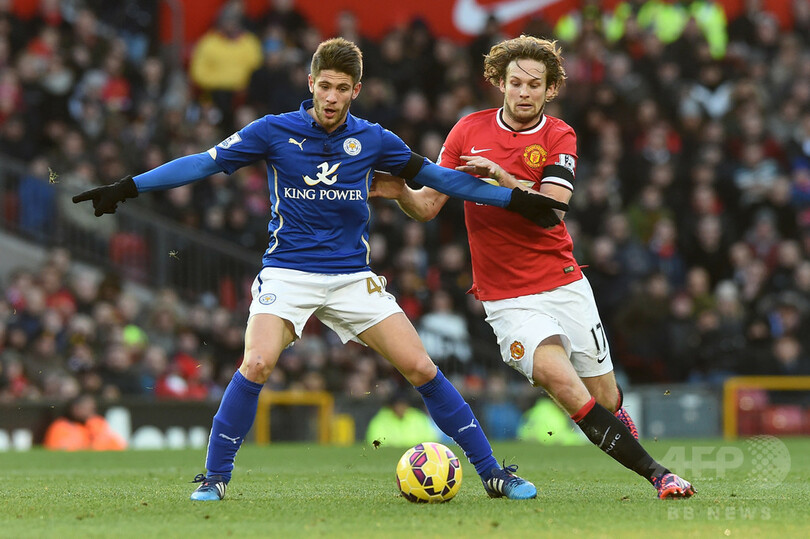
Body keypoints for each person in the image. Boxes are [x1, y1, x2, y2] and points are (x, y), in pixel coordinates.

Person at [72, 37, 570, 501]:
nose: (331, 97)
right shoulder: (272, 131)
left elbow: (441, 179)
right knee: (256, 363)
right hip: (288, 273)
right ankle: (215, 478)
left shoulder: (374, 139)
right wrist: (127, 187)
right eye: (324, 86)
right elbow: (203, 163)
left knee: (421, 367)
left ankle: (493, 473)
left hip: (351, 276)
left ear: (356, 90)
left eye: (341, 88)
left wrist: (514, 200)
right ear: (311, 83)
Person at [371, 35, 695, 499]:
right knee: (563, 385)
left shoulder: (559, 136)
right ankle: (661, 476)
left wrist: (503, 178)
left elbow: (552, 211)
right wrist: (401, 191)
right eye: (516, 83)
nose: (524, 92)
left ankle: (614, 426)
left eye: (534, 85)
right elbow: (427, 207)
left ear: (550, 89)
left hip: (563, 284)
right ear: (500, 83)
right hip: (506, 300)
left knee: (604, 399)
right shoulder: (466, 131)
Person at [43, 393, 127, 451]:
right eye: (86, 408)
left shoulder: (96, 423)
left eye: (92, 409)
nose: (91, 412)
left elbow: (116, 445)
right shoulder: (60, 426)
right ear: (75, 408)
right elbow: (55, 448)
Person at [365, 392, 442, 448]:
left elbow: (432, 439)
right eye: (398, 405)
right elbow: (374, 441)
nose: (401, 408)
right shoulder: (381, 419)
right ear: (392, 406)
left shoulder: (418, 417)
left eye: (403, 404)